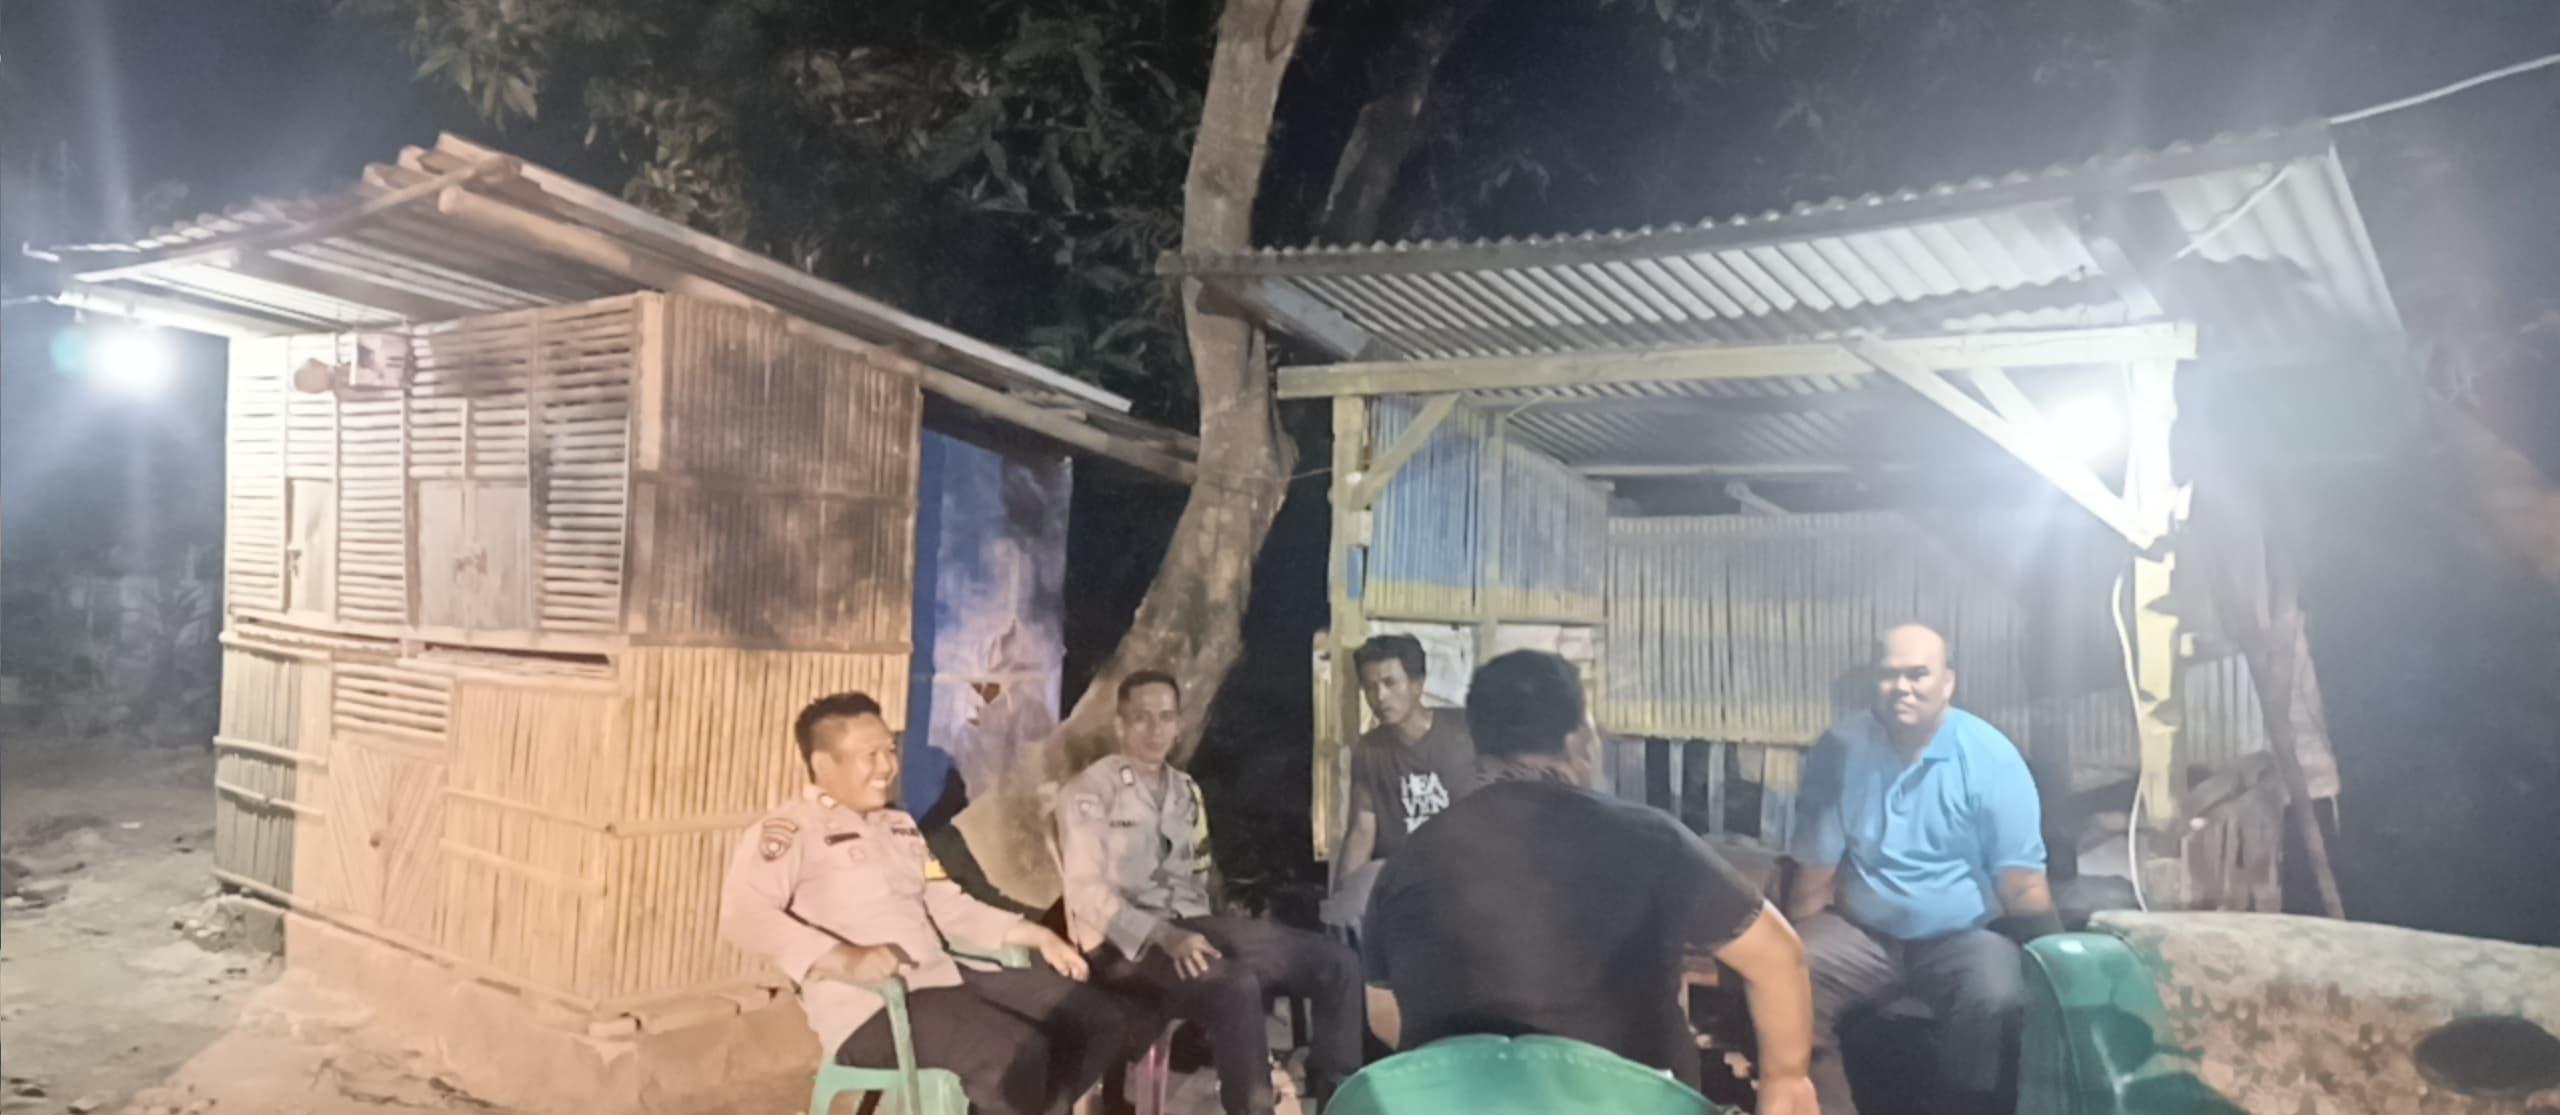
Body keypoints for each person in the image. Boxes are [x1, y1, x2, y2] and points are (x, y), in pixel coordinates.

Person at [1363, 650, 1821, 1115]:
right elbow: (1777, 955)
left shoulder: (1408, 861)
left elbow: (1382, 1011)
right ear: (1580, 739)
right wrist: (1787, 1082)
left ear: (1477, 746)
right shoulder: (1649, 838)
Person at [722, 692, 1131, 1115]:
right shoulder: (792, 831)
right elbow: (744, 916)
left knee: (1096, 1017)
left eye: (889, 750)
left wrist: (1039, 937)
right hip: (871, 1008)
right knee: (1013, 1052)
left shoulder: (898, 827)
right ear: (825, 764)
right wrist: (845, 958)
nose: (888, 766)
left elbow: (947, 905)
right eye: (870, 755)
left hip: (944, 979)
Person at [1059, 670, 1362, 1115]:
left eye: (1166, 717)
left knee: (1337, 964)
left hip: (1192, 928)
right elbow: (1085, 893)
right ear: (1120, 725)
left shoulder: (1186, 792)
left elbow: (1198, 875)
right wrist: (1164, 935)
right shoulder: (1089, 791)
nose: (1155, 729)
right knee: (1234, 986)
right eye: (1141, 718)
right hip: (1123, 945)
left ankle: (1340, 1101)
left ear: (1179, 725)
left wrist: (1225, 929)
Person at [1787, 624, 2059, 1115]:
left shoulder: (1991, 758)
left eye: (1918, 674)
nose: (1902, 688)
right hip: (1864, 933)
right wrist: (1787, 942)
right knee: (1786, 976)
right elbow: (1815, 875)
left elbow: (2021, 886)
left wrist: (2058, 971)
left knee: (1998, 996)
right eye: (1889, 675)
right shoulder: (1840, 751)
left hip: (1963, 937)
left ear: (1948, 682)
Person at [1321, 634, 1478, 935]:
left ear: (1418, 684)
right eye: (1370, 687)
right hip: (1400, 878)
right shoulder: (1369, 750)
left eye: (1390, 683)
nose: (1379, 697)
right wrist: (1343, 897)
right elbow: (1362, 829)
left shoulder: (1465, 732)